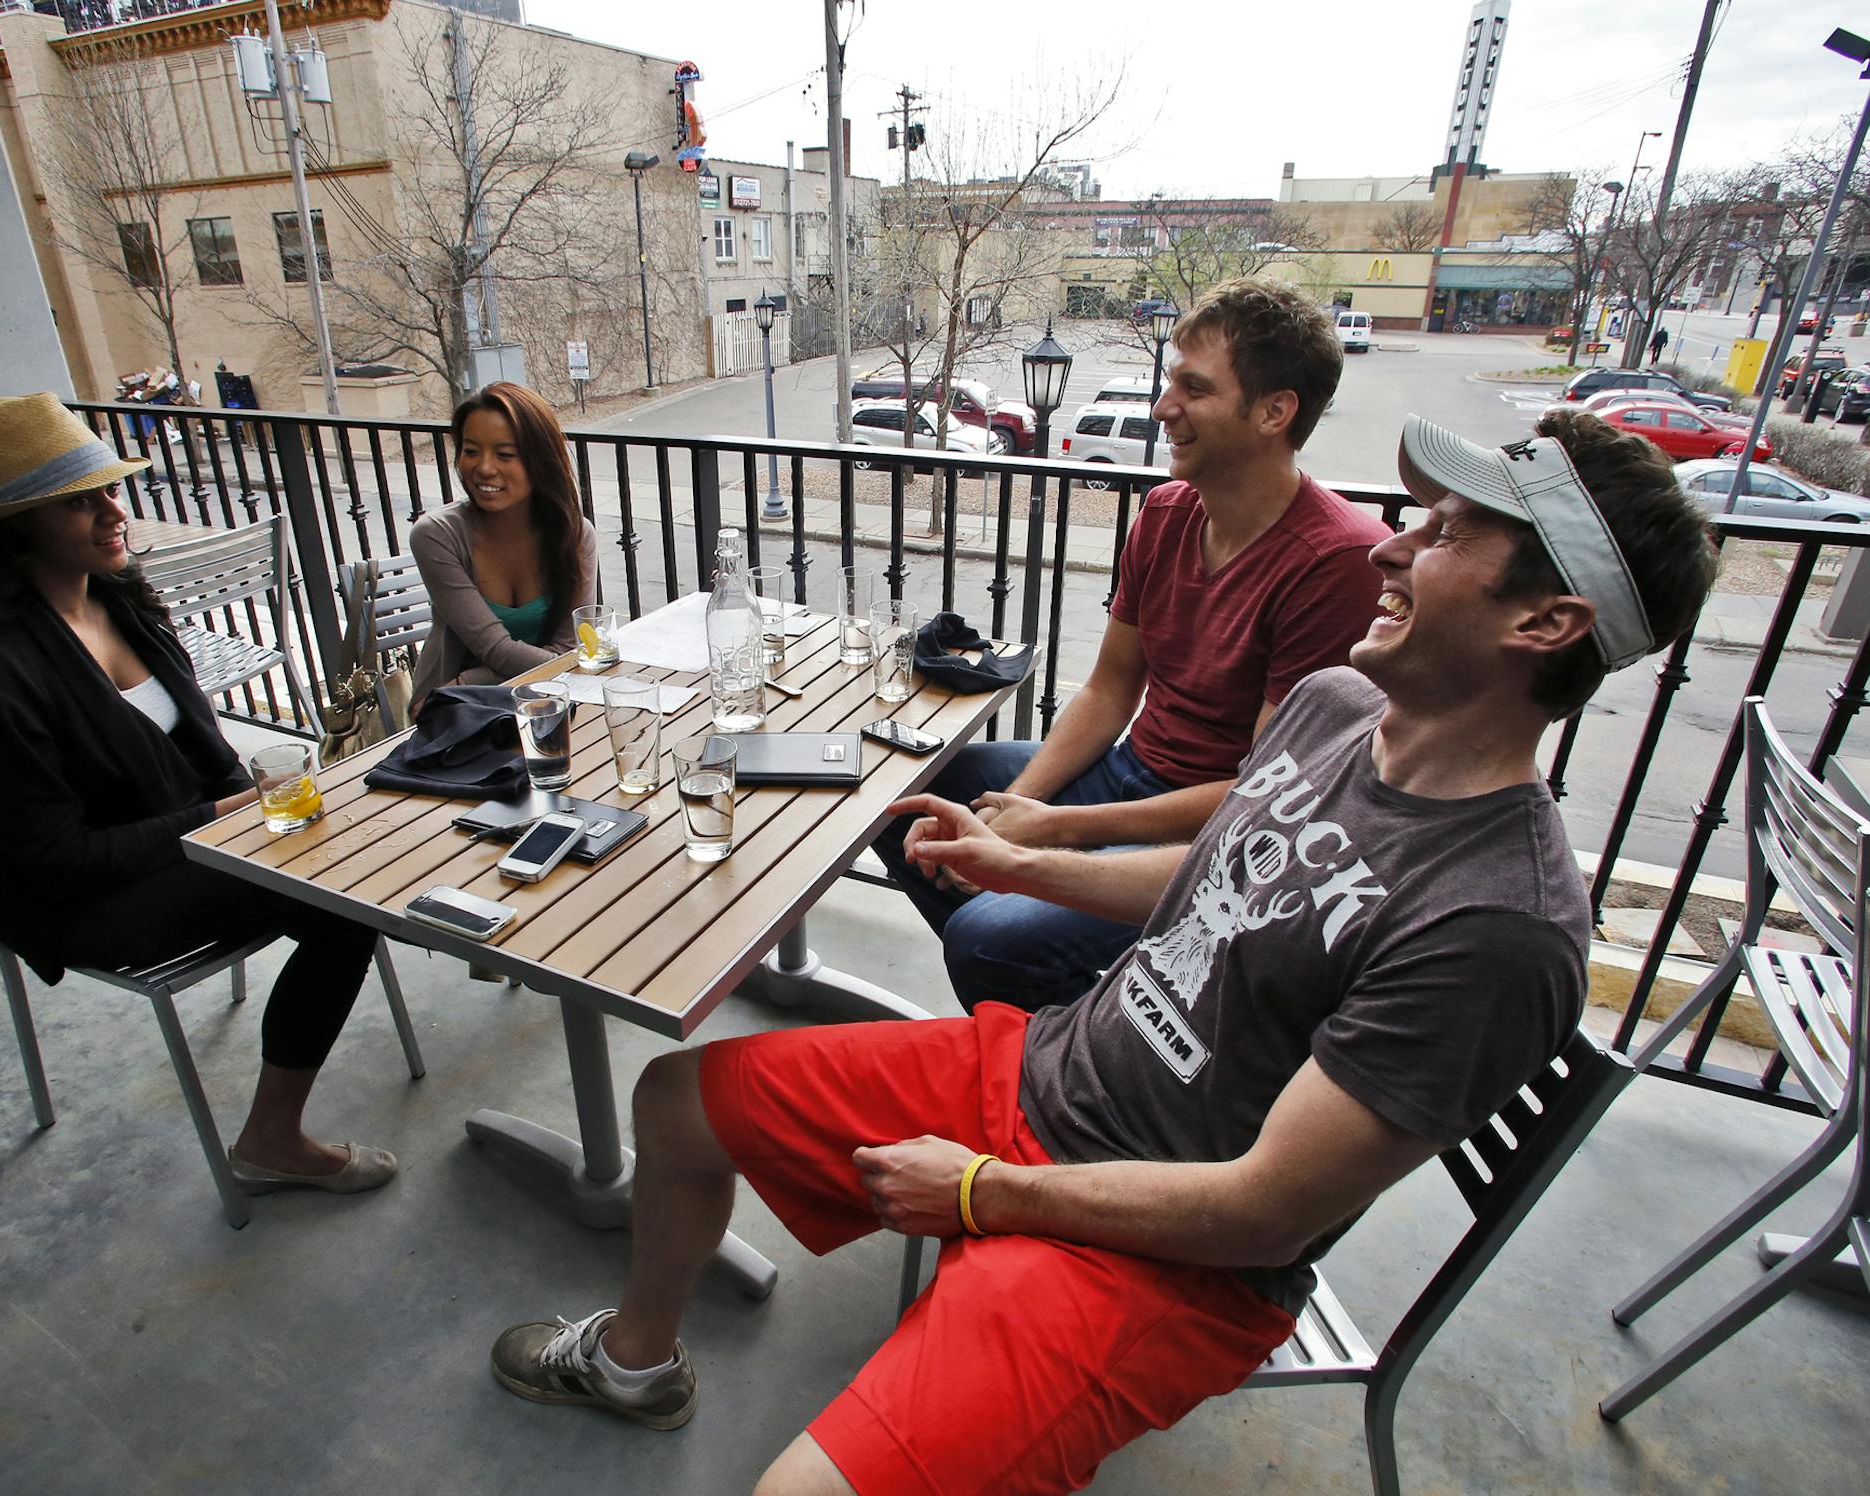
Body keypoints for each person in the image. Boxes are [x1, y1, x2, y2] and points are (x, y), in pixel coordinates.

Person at [486, 407, 1718, 1496]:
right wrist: (1024, 862)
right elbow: (1223, 881)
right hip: (1044, 1073)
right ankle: (636, 1363)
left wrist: (981, 1193)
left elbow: (1261, 1211)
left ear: (1549, 620)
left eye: (1448, 536)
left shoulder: (1498, 925)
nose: (1392, 547)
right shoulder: (1339, 707)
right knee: (683, 1092)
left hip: (1169, 1258)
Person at [872, 278, 1390, 1012]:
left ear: (1275, 412)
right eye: (1169, 380)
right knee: (907, 809)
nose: (1162, 407)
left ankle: (1068, 1047)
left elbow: (1262, 798)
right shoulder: (1168, 511)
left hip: (1216, 833)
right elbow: (1111, 689)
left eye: (1194, 388)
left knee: (988, 937)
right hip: (1127, 772)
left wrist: (1046, 833)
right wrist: (1012, 811)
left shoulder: (1335, 563)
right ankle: (1071, 1006)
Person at [0, 393, 398, 1195]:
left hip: (174, 839)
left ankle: (276, 1124)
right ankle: (272, 1141)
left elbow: (202, 756)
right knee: (338, 901)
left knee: (350, 845)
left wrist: (273, 803)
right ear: (14, 528)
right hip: (77, 899)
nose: (116, 510)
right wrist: (223, 818)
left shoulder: (116, 598)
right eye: (80, 500)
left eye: (110, 487)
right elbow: (55, 861)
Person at [404, 381, 600, 717]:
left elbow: (569, 648)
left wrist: (467, 678)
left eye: (505, 454)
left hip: (540, 705)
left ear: (541, 461)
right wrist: (565, 667)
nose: (484, 468)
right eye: (471, 451)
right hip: (451, 714)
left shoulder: (575, 535)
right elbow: (495, 648)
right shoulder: (436, 536)